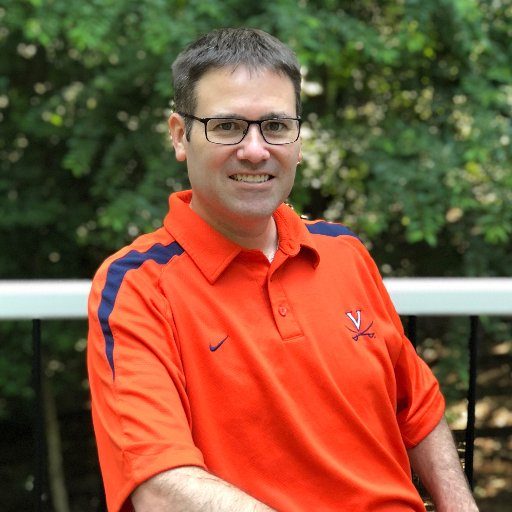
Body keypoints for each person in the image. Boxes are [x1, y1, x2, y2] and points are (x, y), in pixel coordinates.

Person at [87, 28, 479, 512]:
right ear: (179, 135)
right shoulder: (139, 287)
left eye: (275, 126)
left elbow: (416, 409)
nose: (255, 150)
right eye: (227, 126)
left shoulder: (344, 251)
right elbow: (160, 486)